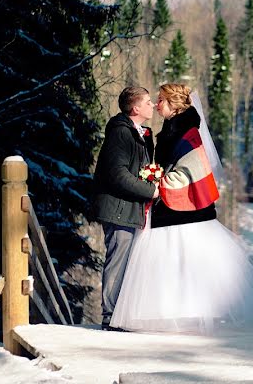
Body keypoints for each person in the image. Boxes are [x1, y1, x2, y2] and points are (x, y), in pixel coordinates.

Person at [110, 83, 253, 333]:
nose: (157, 105)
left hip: (181, 209)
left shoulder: (187, 133)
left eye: (161, 101)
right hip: (168, 209)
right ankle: (171, 314)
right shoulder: (170, 130)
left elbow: (192, 169)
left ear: (174, 105)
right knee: (173, 262)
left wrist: (161, 182)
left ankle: (188, 315)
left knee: (187, 262)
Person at [92, 86, 159, 331]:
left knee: (127, 262)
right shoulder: (121, 133)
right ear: (136, 108)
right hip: (117, 208)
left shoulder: (139, 134)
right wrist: (150, 190)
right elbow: (117, 174)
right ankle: (110, 318)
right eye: (148, 102)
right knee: (117, 261)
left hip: (129, 208)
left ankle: (120, 316)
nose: (152, 106)